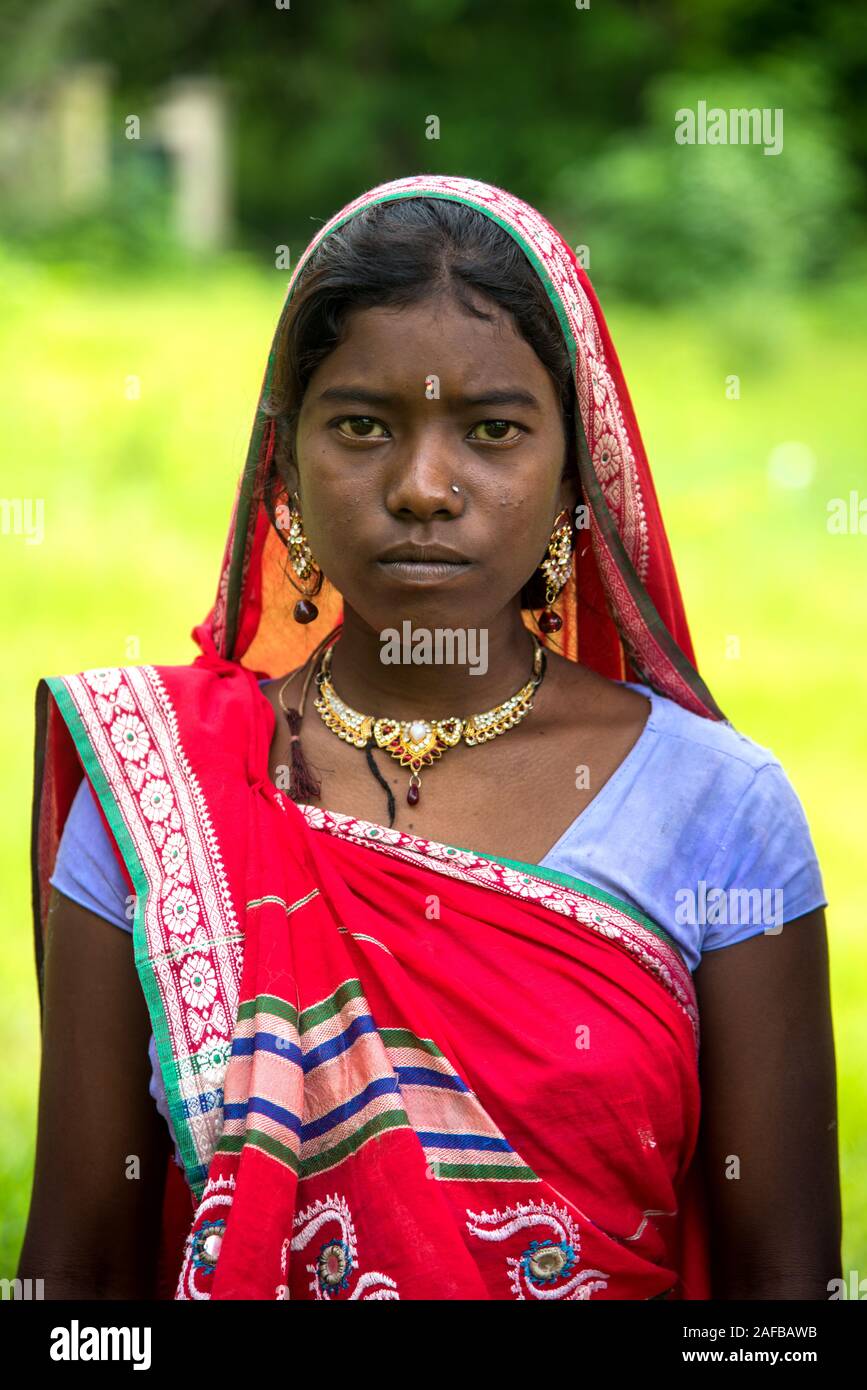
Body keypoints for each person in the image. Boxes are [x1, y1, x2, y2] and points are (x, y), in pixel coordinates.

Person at [19, 174, 841, 1300]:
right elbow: (78, 1287)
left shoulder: (718, 808)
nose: (422, 488)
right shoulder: (160, 798)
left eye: (493, 430)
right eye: (362, 425)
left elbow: (781, 1301)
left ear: (572, 484)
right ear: (286, 471)